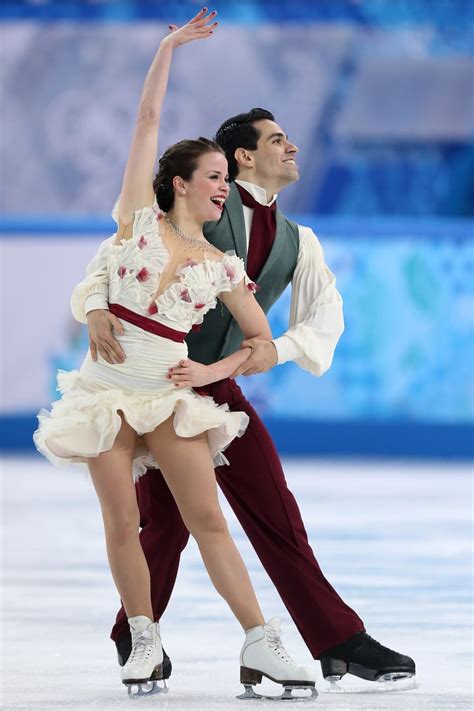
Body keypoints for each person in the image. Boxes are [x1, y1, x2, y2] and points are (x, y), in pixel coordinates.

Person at [79, 19, 416, 691]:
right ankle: (135, 632)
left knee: (273, 511)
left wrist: (266, 353)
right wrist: (93, 308)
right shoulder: (195, 210)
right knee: (163, 527)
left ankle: (336, 637)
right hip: (152, 387)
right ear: (236, 161)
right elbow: (112, 258)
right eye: (275, 140)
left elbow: (323, 320)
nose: (291, 146)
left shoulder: (299, 240)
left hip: (217, 389)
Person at [33, 10, 317, 698]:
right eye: (215, 175)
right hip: (104, 392)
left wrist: (212, 371)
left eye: (228, 176)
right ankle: (144, 637)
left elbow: (260, 341)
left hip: (167, 392)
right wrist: (166, 47)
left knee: (208, 519)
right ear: (181, 182)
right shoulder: (137, 218)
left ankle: (263, 642)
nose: (225, 187)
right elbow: (146, 121)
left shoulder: (219, 263)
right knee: (124, 521)